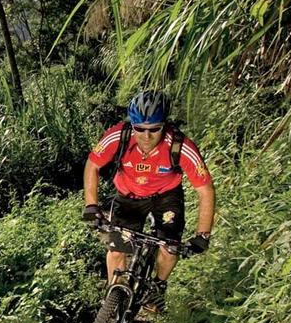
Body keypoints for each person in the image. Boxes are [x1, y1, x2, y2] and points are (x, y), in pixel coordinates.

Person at [82, 90, 215, 311]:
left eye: (154, 129)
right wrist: (91, 205)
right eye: (139, 129)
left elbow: (205, 189)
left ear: (164, 125)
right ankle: (111, 302)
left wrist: (202, 234)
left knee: (170, 247)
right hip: (129, 195)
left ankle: (158, 285)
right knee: (116, 249)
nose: (146, 136)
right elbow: (93, 165)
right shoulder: (118, 136)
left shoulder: (181, 145)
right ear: (131, 125)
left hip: (166, 197)